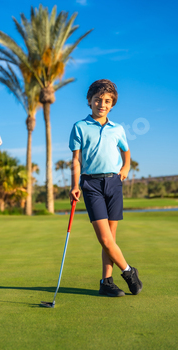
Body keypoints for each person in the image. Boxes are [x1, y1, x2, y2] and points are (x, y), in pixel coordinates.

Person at [69, 79, 143, 297]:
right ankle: (129, 272)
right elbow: (75, 159)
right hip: (91, 184)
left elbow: (126, 151)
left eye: (107, 101)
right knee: (104, 238)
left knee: (110, 238)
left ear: (112, 104)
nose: (102, 104)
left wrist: (126, 167)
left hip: (113, 183)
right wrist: (75, 184)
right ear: (89, 101)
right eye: (98, 100)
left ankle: (106, 282)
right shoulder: (80, 127)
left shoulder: (117, 129)